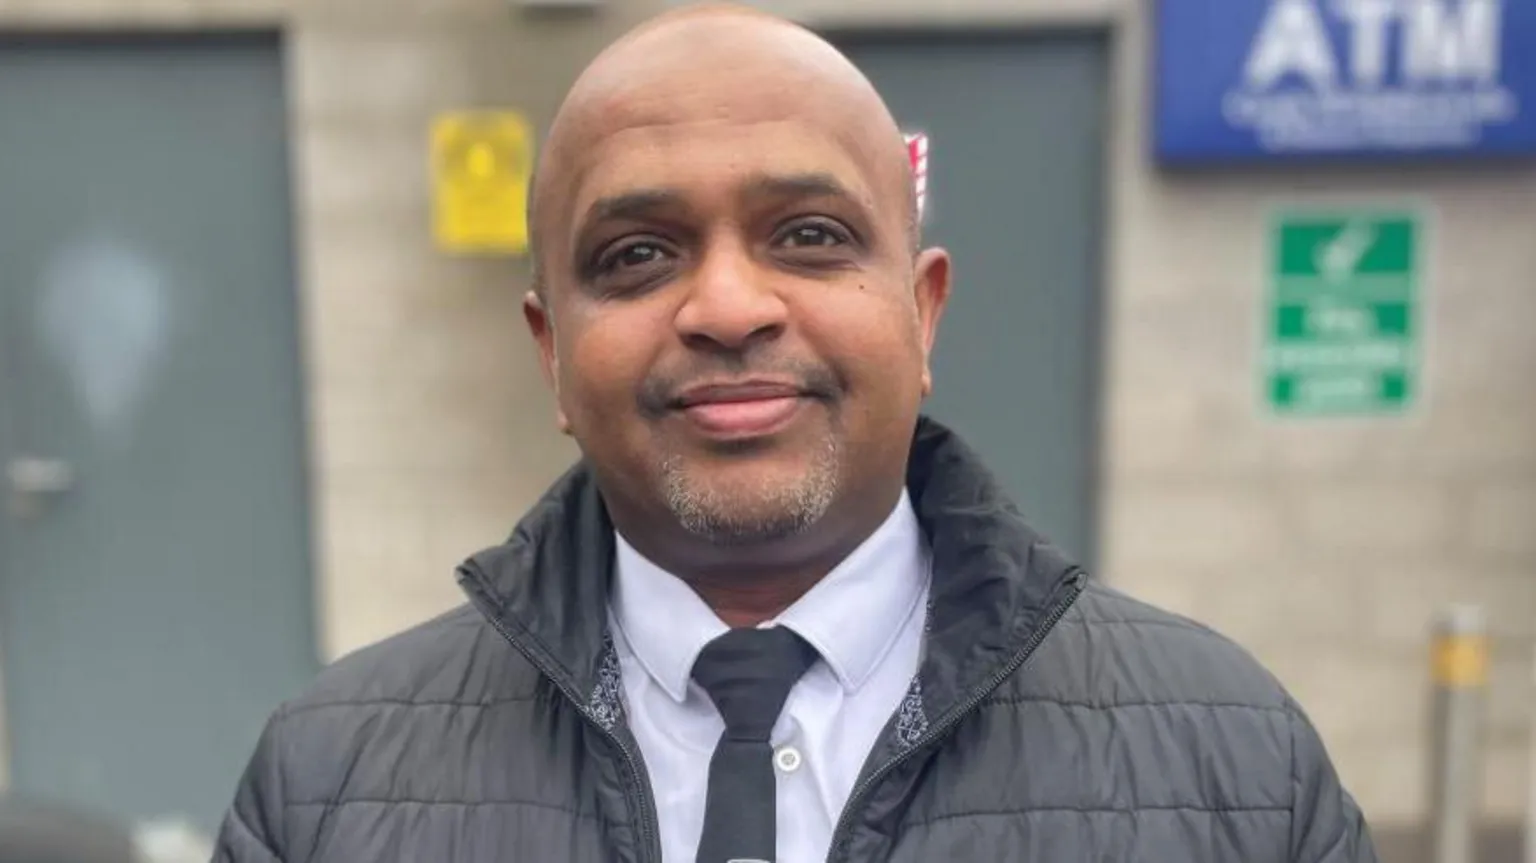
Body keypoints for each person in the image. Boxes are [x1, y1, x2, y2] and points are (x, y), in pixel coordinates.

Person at [212, 5, 1379, 862]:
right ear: (552, 352)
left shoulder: (1234, 769)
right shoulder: (329, 788)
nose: (727, 307)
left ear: (922, 312)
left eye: (811, 235)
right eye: (637, 255)